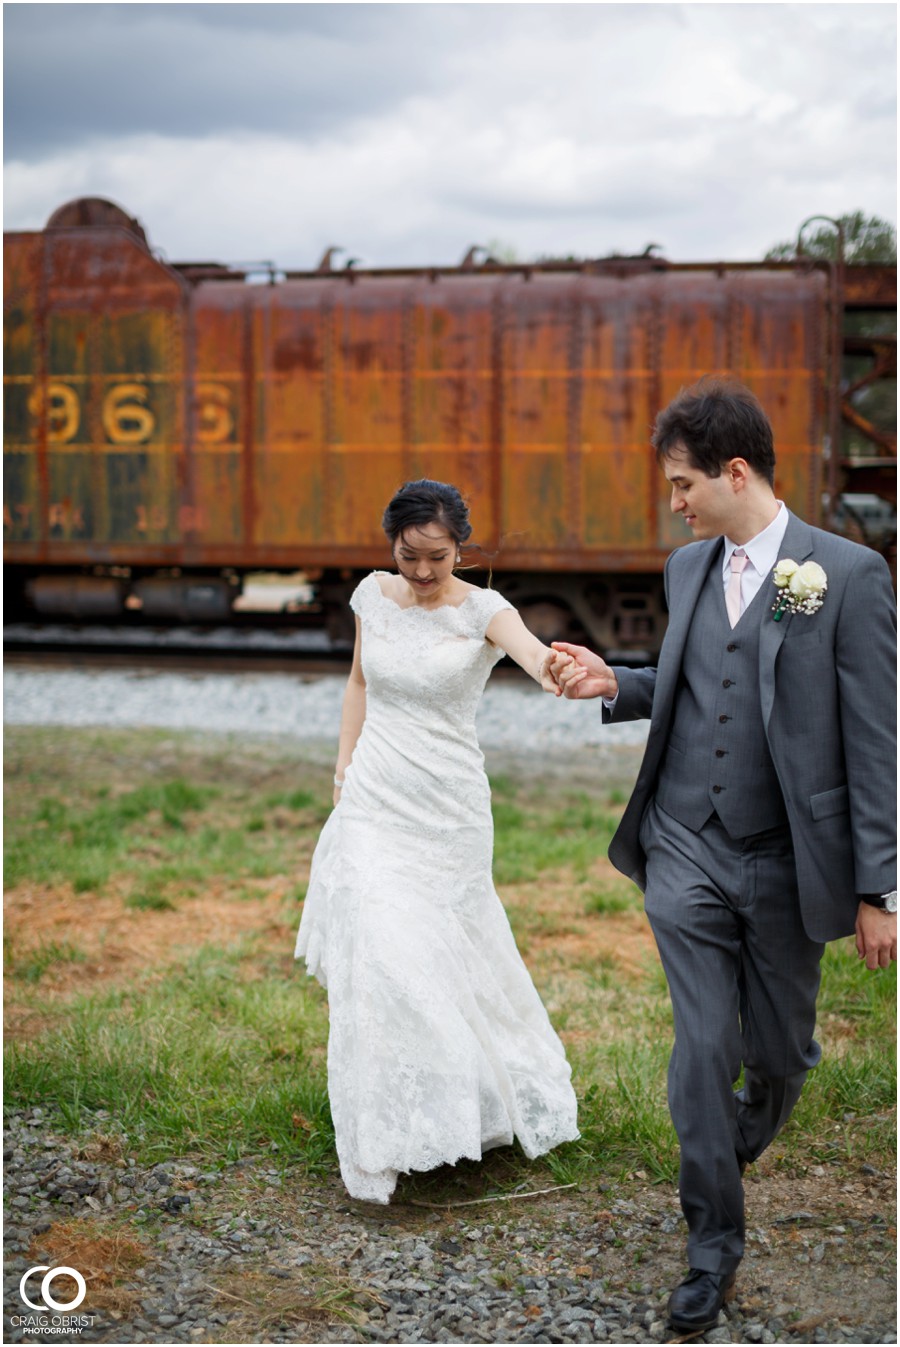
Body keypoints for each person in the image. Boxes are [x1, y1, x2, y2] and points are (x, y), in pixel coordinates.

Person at [551, 378, 897, 1333]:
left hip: (790, 861)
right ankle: (711, 1250)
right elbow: (693, 680)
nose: (674, 503)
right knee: (702, 1049)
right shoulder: (686, 569)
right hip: (685, 848)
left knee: (778, 1054)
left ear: (733, 472)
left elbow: (875, 740)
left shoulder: (849, 576)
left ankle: (736, 1130)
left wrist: (883, 887)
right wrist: (612, 680)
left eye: (681, 484)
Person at [295, 479, 579, 1203]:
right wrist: (343, 764)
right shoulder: (370, 596)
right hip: (373, 795)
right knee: (378, 953)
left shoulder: (484, 610)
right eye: (409, 555)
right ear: (391, 546)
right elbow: (360, 681)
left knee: (442, 956)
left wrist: (559, 668)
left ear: (461, 547)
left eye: (439, 557)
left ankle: (460, 1103)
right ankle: (382, 1133)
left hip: (447, 807)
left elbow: (530, 652)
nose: (422, 572)